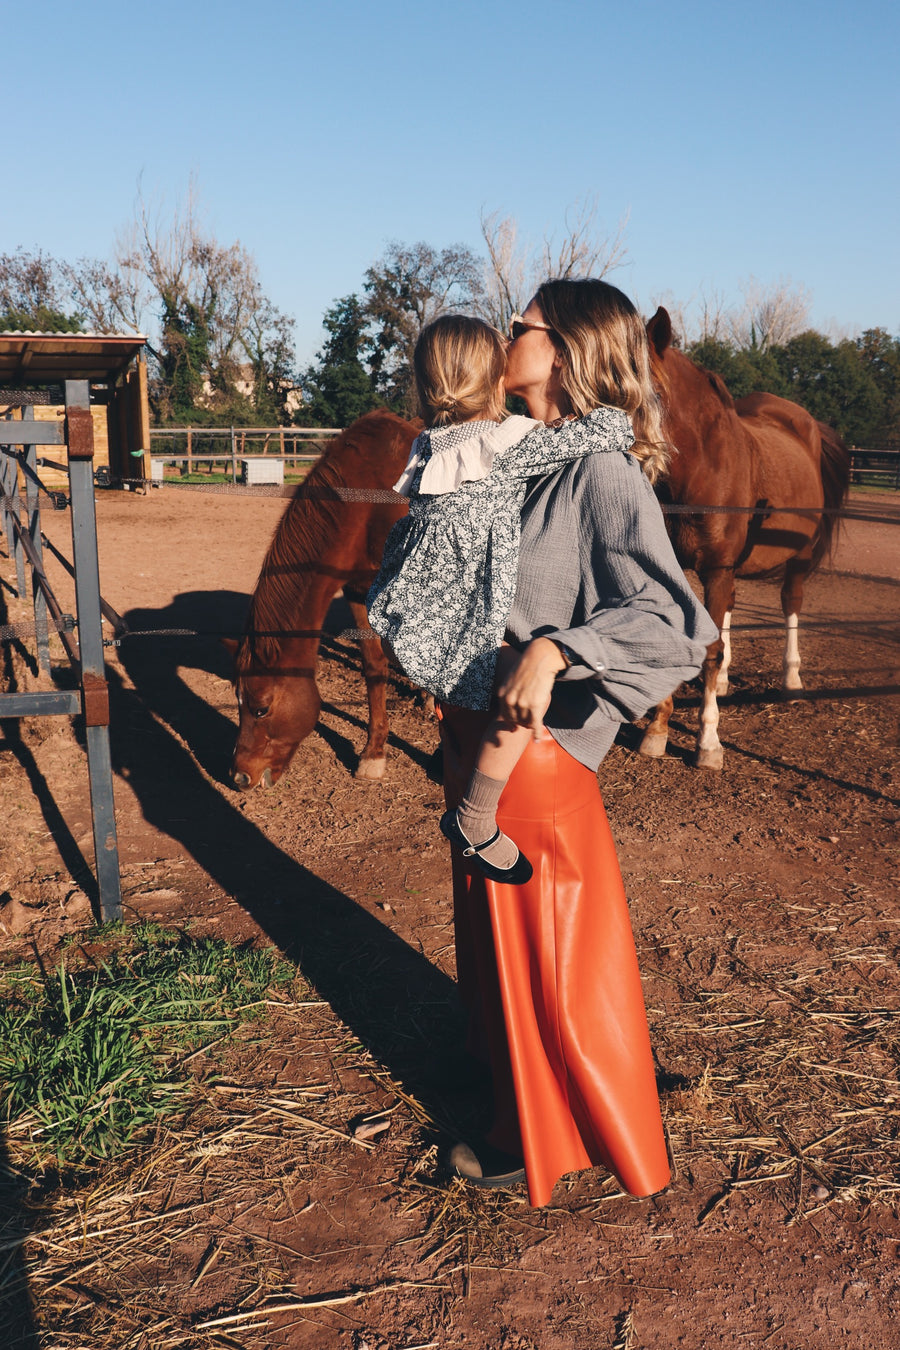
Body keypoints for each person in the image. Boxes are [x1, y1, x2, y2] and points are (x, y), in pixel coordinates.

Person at [439, 279, 720, 1205]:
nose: (501, 331)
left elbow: (677, 623)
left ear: (557, 350)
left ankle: (540, 1134)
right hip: (480, 736)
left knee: (547, 950)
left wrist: (561, 648)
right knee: (497, 948)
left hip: (539, 753)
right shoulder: (519, 455)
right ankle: (509, 1089)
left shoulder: (603, 474)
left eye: (516, 324)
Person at [367, 314, 636, 883]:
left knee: (475, 703)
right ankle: (475, 817)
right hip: (464, 618)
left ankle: (460, 776)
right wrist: (619, 415)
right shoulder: (508, 442)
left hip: (412, 607)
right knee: (520, 705)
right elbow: (593, 435)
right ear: (494, 379)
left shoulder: (429, 446)